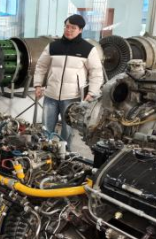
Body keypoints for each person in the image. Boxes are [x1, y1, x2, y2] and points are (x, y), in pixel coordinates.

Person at [34, 14, 104, 150]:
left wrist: (92, 92)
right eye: (67, 26)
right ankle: (44, 155)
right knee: (46, 129)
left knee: (67, 132)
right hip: (50, 96)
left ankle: (64, 156)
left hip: (72, 98)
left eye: (73, 28)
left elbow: (96, 72)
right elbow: (41, 66)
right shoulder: (53, 46)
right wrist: (37, 85)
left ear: (80, 30)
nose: (69, 30)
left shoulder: (88, 49)